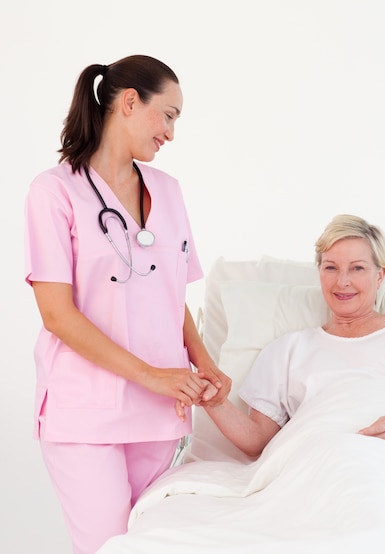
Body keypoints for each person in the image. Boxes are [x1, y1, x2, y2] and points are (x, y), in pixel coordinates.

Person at [23, 55, 231, 554]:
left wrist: (205, 364)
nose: (172, 133)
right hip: (86, 409)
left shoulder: (169, 191)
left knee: (149, 545)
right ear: (130, 102)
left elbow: (170, 295)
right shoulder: (54, 192)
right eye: (170, 115)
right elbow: (57, 314)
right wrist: (154, 376)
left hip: (160, 411)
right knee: (107, 546)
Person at [201, 214, 385, 459]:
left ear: (380, 275)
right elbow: (257, 441)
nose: (342, 282)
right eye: (331, 267)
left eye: (357, 268)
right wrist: (215, 403)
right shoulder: (287, 350)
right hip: (323, 459)